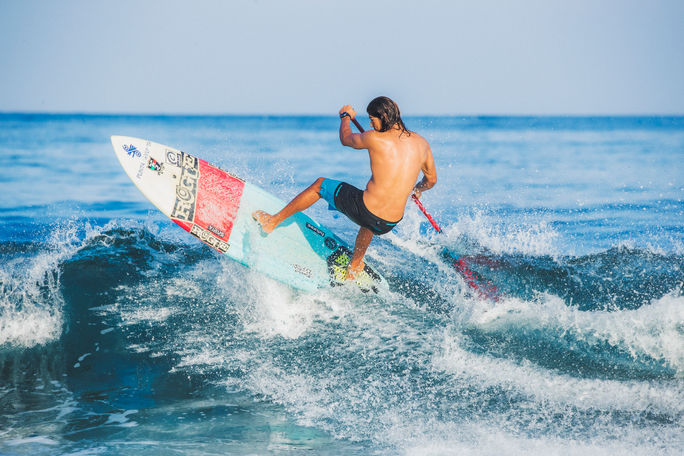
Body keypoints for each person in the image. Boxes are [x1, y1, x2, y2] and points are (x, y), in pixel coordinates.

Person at [253, 96, 437, 280]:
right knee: (371, 218)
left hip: (366, 211)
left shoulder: (374, 138)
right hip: (389, 222)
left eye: (372, 120)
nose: (371, 125)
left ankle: (272, 221)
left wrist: (345, 117)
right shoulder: (422, 144)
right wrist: (417, 190)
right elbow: (431, 180)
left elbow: (346, 138)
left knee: (320, 185)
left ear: (385, 116)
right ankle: (355, 265)